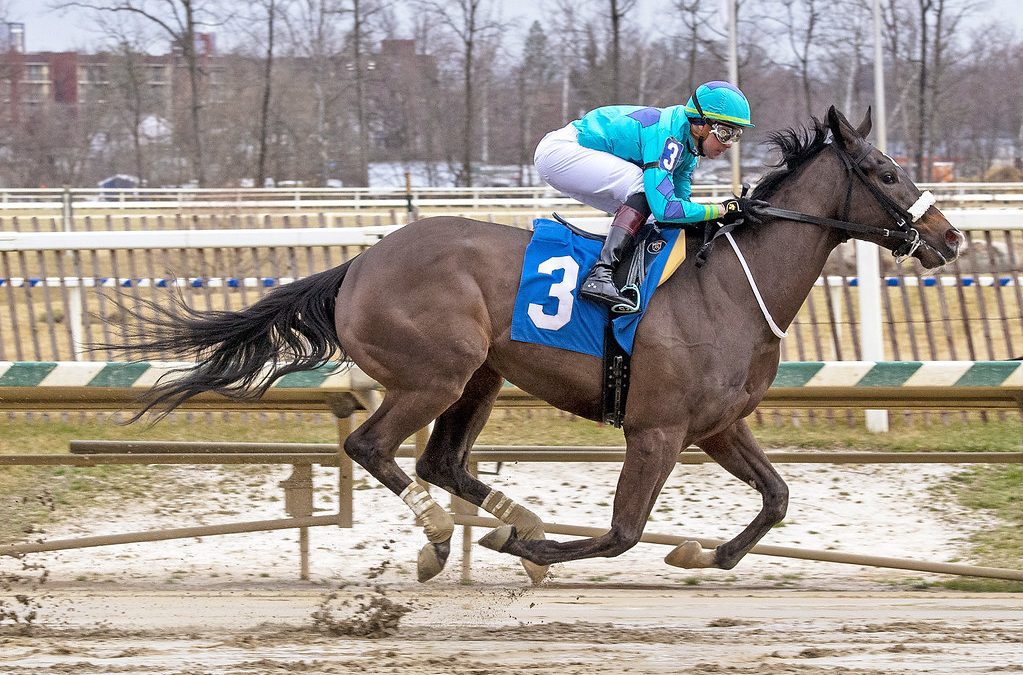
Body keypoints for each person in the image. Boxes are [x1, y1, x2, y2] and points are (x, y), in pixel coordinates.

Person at [533, 80, 769, 313]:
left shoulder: (688, 150)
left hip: (571, 156)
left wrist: (720, 217)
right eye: (725, 133)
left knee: (652, 219)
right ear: (700, 125)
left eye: (736, 135)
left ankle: (625, 282)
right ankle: (601, 273)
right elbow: (665, 208)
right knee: (645, 189)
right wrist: (721, 209)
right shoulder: (668, 137)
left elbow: (678, 212)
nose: (729, 144)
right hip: (561, 151)